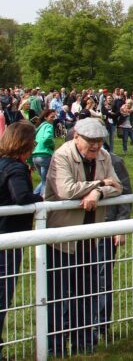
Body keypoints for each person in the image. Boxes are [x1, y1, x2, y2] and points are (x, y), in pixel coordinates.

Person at [44, 118, 123, 357]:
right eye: (91, 141)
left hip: (90, 237)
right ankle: (56, 348)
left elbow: (117, 186)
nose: (96, 146)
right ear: (76, 137)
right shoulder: (61, 156)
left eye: (99, 141)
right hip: (62, 238)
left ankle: (85, 345)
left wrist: (97, 192)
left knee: (87, 293)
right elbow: (66, 190)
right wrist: (100, 182)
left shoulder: (104, 156)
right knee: (59, 297)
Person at [0, 122, 43, 349]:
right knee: (2, 295)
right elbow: (22, 197)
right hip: (9, 237)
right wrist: (41, 198)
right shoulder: (16, 168)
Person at [97, 149, 132, 340]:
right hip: (79, 228)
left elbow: (125, 193)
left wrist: (121, 226)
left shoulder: (115, 161)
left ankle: (101, 326)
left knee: (102, 278)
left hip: (106, 227)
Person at [32, 108, 57, 195]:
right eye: (52, 117)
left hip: (35, 156)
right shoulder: (49, 126)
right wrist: (52, 145)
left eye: (54, 117)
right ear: (45, 117)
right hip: (44, 155)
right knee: (46, 182)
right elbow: (47, 139)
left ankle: (34, 196)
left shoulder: (39, 128)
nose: (53, 119)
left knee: (44, 180)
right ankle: (43, 200)